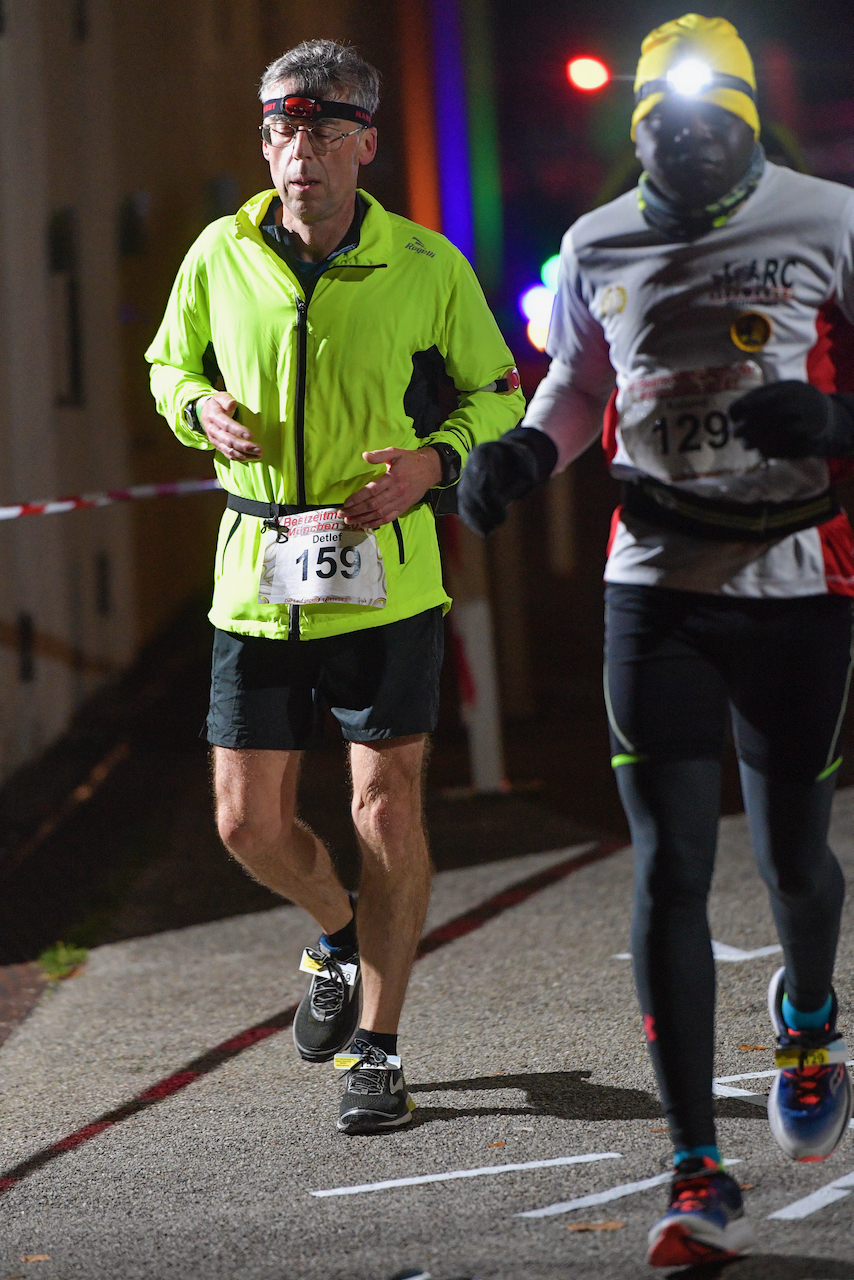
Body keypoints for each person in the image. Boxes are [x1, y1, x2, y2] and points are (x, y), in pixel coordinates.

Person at [458, 13, 854, 1267]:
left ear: (748, 124)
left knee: (793, 853)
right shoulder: (596, 240)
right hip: (657, 585)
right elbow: (576, 382)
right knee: (667, 865)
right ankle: (694, 1169)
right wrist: (527, 449)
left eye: (710, 124)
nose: (684, 145)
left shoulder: (827, 218)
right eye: (660, 127)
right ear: (635, 131)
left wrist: (837, 418)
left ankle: (804, 1014)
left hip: (798, 578)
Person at [146, 39, 523, 1135]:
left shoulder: (424, 263)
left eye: (317, 131)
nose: (293, 152)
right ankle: (334, 928)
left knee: (384, 804)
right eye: (275, 131)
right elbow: (172, 365)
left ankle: (379, 1042)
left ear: (363, 142)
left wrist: (431, 463)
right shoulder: (219, 253)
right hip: (255, 578)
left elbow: (497, 395)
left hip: (385, 579)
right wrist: (193, 408)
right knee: (246, 825)